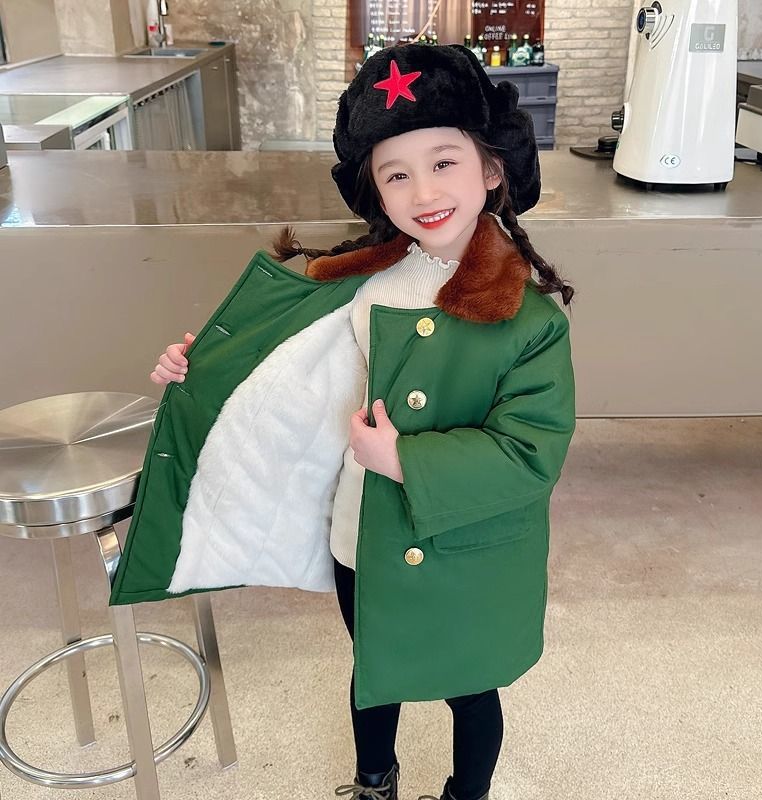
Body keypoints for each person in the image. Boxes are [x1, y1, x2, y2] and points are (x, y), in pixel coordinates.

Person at [111, 43, 576, 800]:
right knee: (374, 667)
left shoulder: (529, 321)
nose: (424, 190)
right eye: (397, 174)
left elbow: (531, 452)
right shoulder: (356, 281)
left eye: (444, 162)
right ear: (376, 190)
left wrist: (404, 459)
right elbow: (278, 368)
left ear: (492, 168)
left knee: (472, 686)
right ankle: (373, 782)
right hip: (361, 533)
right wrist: (196, 368)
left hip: (467, 545)